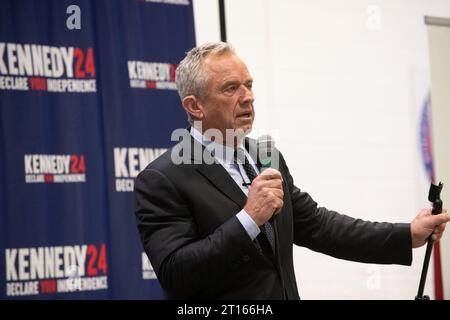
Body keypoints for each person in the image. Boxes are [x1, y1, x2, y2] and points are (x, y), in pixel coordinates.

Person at [134, 42, 449, 299]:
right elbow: (176, 273)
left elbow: (318, 226)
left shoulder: (265, 155)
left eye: (249, 85)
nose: (248, 97)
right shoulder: (163, 178)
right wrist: (248, 219)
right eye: (231, 88)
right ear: (194, 106)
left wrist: (405, 234)